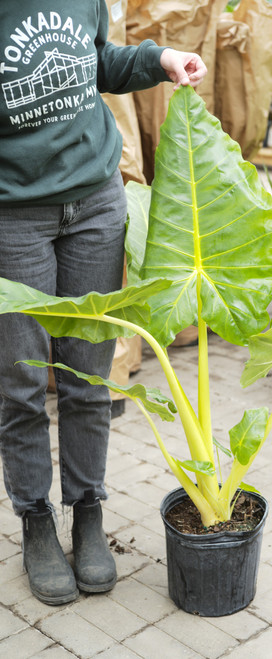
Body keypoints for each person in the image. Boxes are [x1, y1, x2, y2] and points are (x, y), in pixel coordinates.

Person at [0, 1, 207, 606]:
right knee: (23, 382)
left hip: (95, 203)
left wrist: (159, 59)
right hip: (16, 217)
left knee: (91, 377)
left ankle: (88, 513)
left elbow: (91, 61)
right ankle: (36, 521)